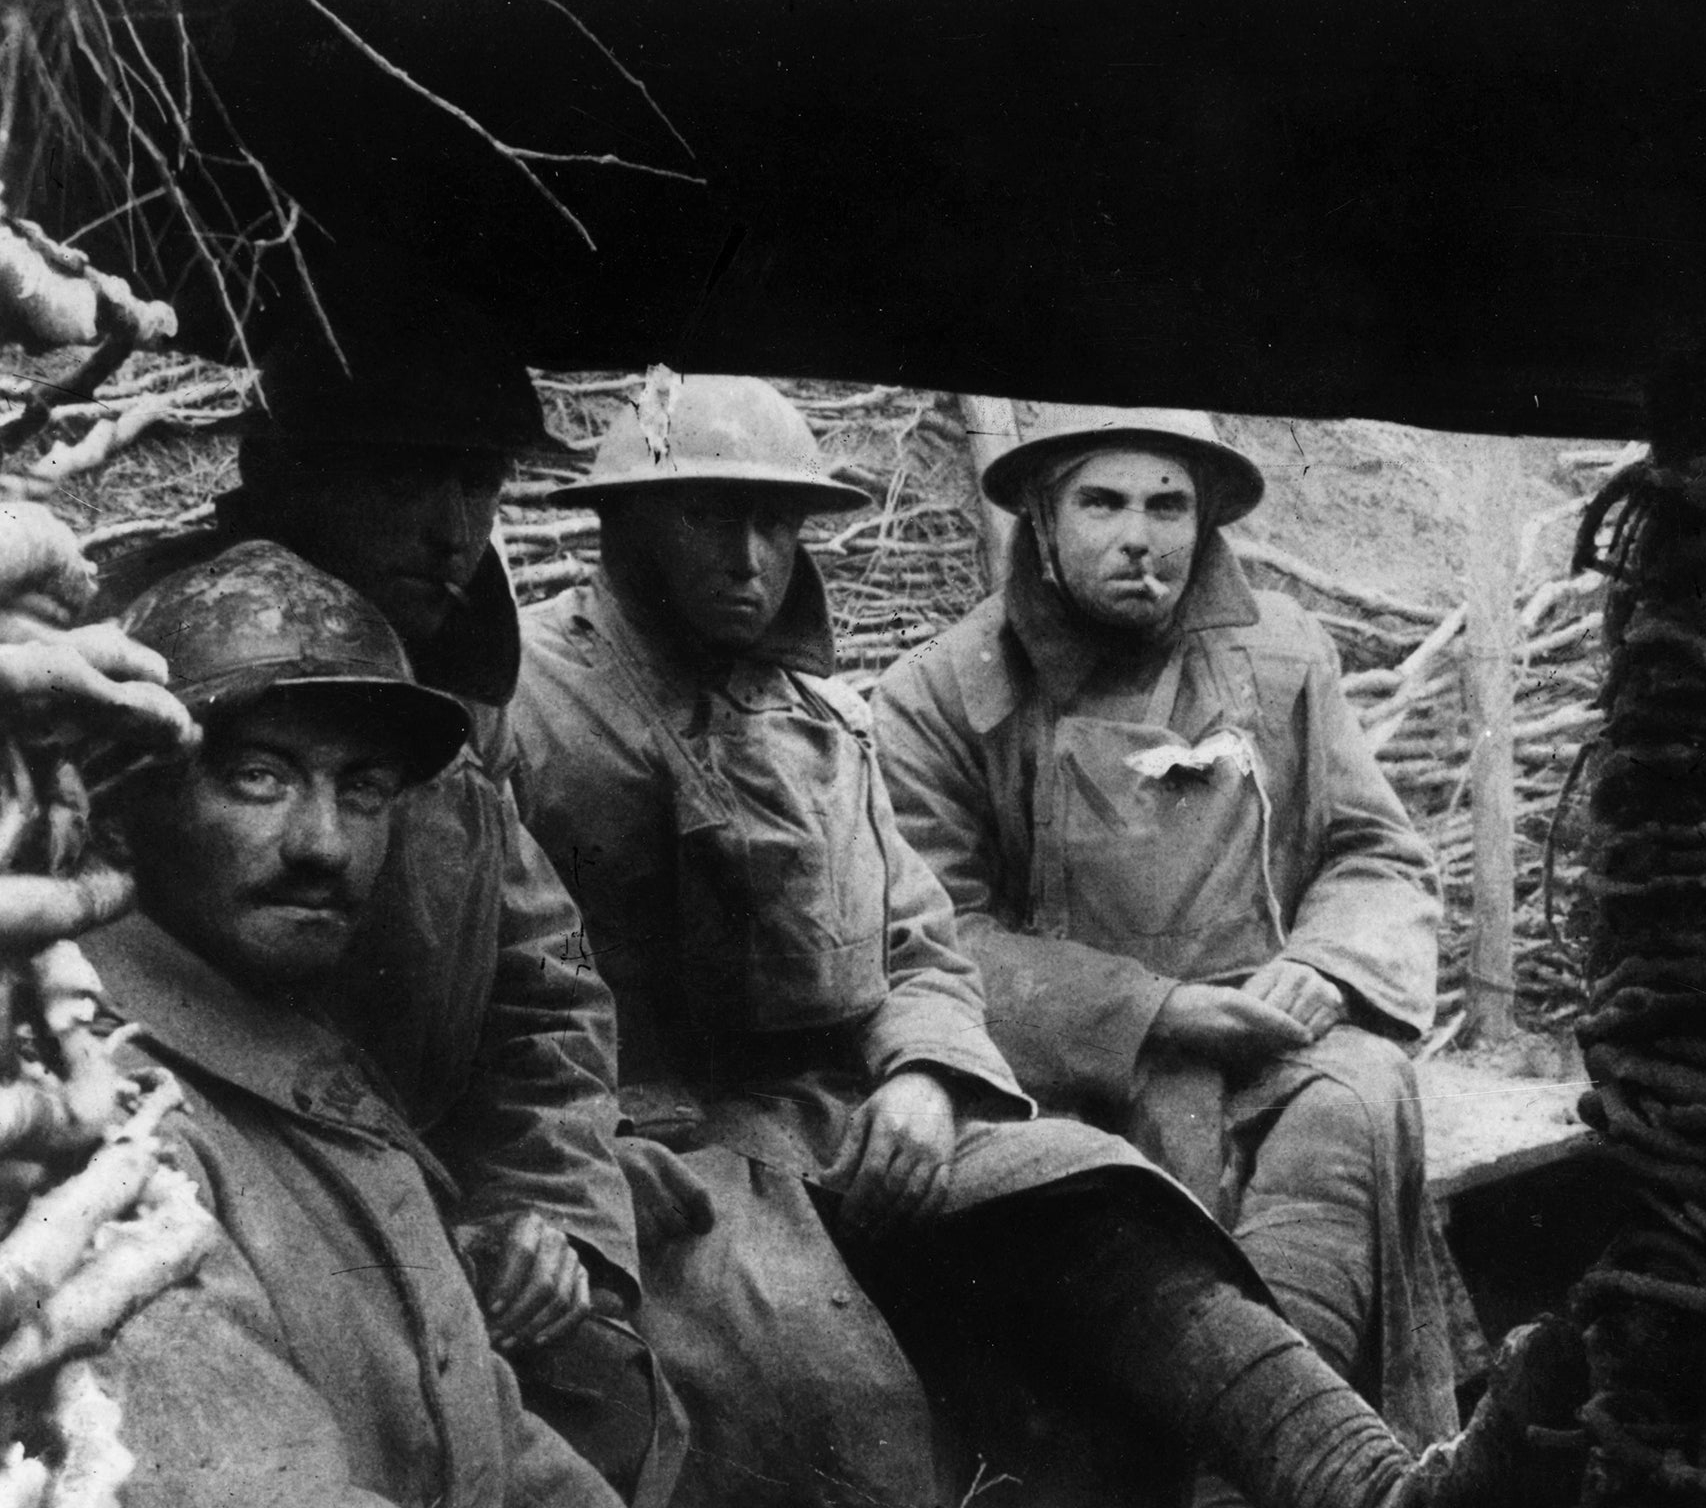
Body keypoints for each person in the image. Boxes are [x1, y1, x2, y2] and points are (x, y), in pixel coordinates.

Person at [509, 371, 1584, 1508]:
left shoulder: (815, 719)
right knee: (826, 1385)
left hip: (848, 1107)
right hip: (661, 1142)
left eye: (774, 521)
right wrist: (563, 1152)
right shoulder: (529, 702)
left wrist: (924, 1075)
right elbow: (482, 989)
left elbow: (912, 941)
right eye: (702, 516)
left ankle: (1359, 1485)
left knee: (1109, 1199)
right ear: (619, 520)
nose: (746, 557)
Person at [87, 301, 670, 1500]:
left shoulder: (453, 746)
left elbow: (543, 1009)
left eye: (480, 484)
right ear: (286, 468)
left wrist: (545, 1223)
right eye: (409, 476)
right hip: (229, 1196)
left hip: (424, 1225)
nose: (455, 531)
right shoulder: (115, 687)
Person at [873, 404, 1465, 1451]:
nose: (1138, 536)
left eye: (1167, 504)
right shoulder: (943, 694)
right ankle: (1268, 1450)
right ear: (1042, 523)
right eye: (1101, 502)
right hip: (1067, 1072)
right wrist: (1154, 1013)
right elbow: (934, 932)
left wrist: (1324, 968)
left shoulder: (1278, 656)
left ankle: (1285, 1446)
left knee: (1363, 1094)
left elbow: (1376, 851)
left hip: (1266, 1043)